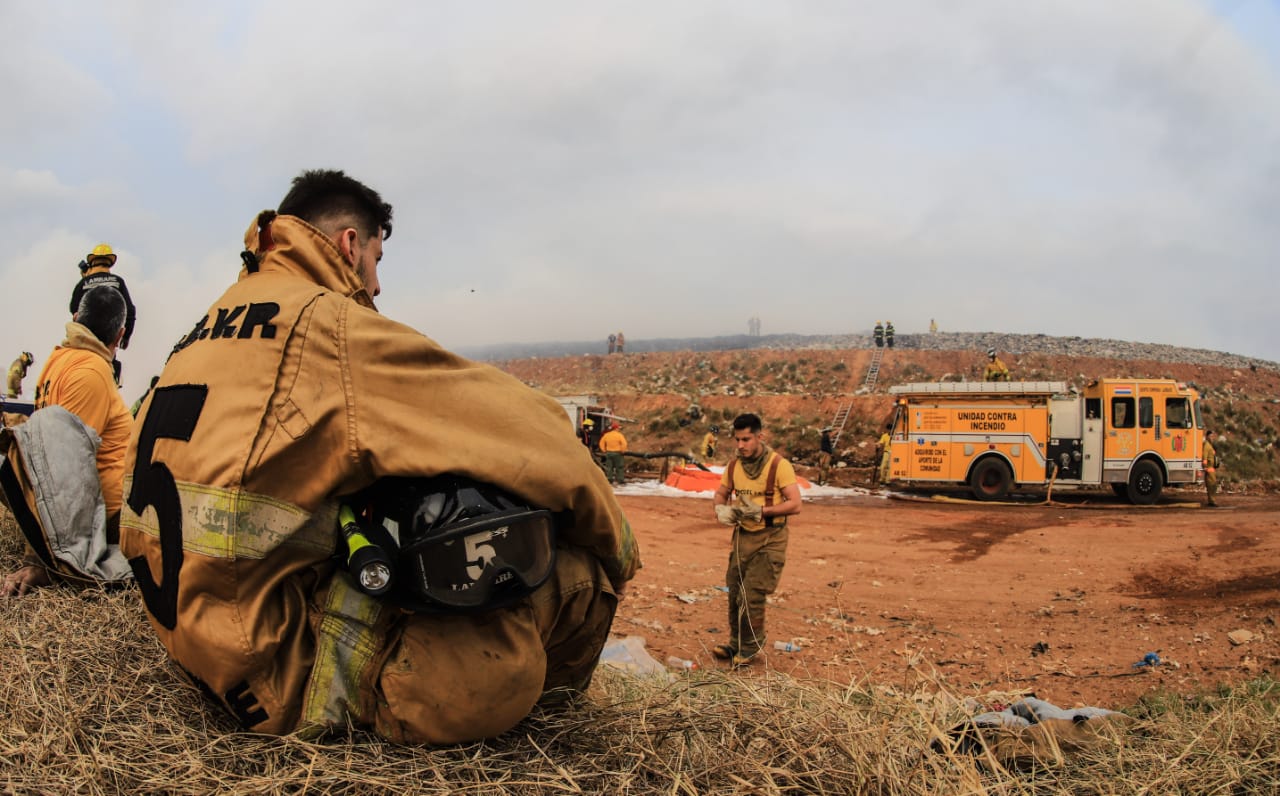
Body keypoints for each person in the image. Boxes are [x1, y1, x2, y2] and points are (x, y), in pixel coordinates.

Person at [118, 169, 640, 745]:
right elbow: (534, 433)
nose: (378, 284)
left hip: (195, 641)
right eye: (377, 258)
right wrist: (619, 547)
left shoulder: (199, 331)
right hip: (273, 679)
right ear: (348, 244)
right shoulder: (331, 327)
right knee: (577, 580)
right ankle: (546, 746)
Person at [3, 287, 133, 596]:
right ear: (120, 335)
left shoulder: (57, 362)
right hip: (110, 517)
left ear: (76, 318)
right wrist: (42, 561)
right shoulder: (93, 371)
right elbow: (64, 473)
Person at [711, 413, 801, 667]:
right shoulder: (733, 466)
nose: (741, 445)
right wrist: (720, 509)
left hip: (770, 537)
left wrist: (761, 511)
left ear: (760, 437)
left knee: (752, 595)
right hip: (742, 537)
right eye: (737, 440)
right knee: (735, 593)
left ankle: (750, 647)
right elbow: (721, 493)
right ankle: (735, 642)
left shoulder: (778, 465)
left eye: (747, 439)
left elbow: (795, 504)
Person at [70, 244, 137, 383]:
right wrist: (126, 337)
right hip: (108, 346)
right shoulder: (118, 282)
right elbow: (130, 311)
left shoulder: (83, 283)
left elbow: (73, 309)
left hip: (84, 345)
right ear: (110, 263)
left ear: (92, 262)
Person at [1203, 430, 1220, 507]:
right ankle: (1212, 501)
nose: (1212, 438)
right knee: (1211, 486)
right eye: (1210, 436)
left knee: (1213, 485)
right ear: (1207, 437)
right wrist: (1205, 467)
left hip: (1212, 469)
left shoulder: (1210, 445)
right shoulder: (1207, 445)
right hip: (1209, 469)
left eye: (1213, 436)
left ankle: (1212, 500)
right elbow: (1205, 457)